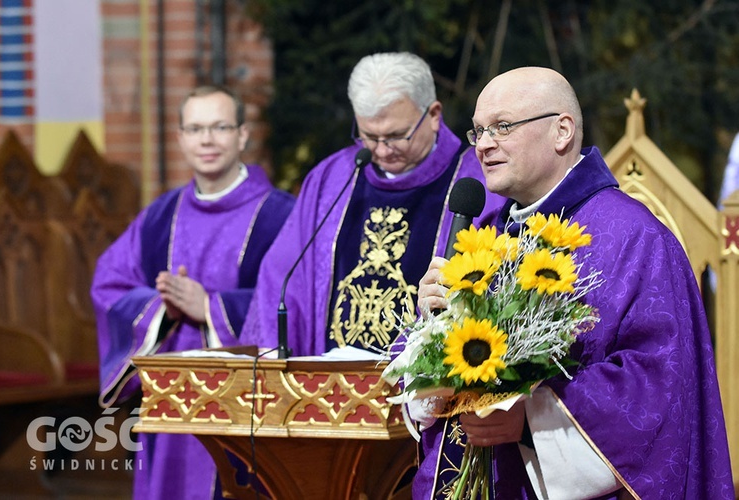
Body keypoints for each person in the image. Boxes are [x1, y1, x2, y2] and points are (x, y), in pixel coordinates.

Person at [415, 67, 734, 498]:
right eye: (478, 132)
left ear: (561, 130)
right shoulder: (485, 235)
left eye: (502, 126)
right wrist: (431, 325)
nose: (484, 144)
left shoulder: (635, 238)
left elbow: (660, 388)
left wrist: (530, 421)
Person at [91, 84, 295, 499]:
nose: (207, 139)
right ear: (181, 137)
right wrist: (159, 308)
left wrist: (212, 307)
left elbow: (297, 298)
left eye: (220, 127)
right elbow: (108, 284)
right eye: (196, 128)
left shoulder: (280, 214)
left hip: (247, 406)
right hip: (169, 401)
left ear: (241, 135)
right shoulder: (160, 215)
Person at [240, 52, 504, 357]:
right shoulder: (332, 179)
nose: (382, 150)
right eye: (368, 136)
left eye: (395, 136)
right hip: (328, 388)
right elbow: (281, 275)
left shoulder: (478, 180)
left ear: (433, 115)